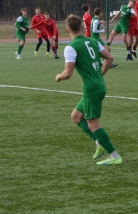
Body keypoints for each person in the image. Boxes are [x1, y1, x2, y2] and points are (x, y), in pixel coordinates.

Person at [55, 14, 122, 166]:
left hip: (91, 88)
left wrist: (59, 76)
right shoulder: (92, 41)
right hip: (98, 85)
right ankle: (99, 143)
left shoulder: (71, 47)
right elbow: (109, 58)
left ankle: (115, 156)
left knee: (93, 124)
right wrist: (99, 74)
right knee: (76, 116)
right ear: (83, 27)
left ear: (67, 30)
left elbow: (68, 73)